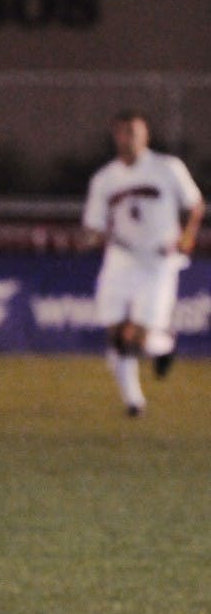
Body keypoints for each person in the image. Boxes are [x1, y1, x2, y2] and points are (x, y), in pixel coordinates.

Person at [82, 110, 205, 417]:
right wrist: (93, 237)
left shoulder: (167, 168)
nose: (130, 139)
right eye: (124, 133)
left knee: (138, 337)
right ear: (116, 136)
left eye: (135, 132)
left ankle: (164, 345)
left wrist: (187, 235)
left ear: (145, 135)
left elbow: (195, 204)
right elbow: (94, 226)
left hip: (159, 260)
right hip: (121, 259)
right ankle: (134, 402)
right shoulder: (104, 179)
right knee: (115, 333)